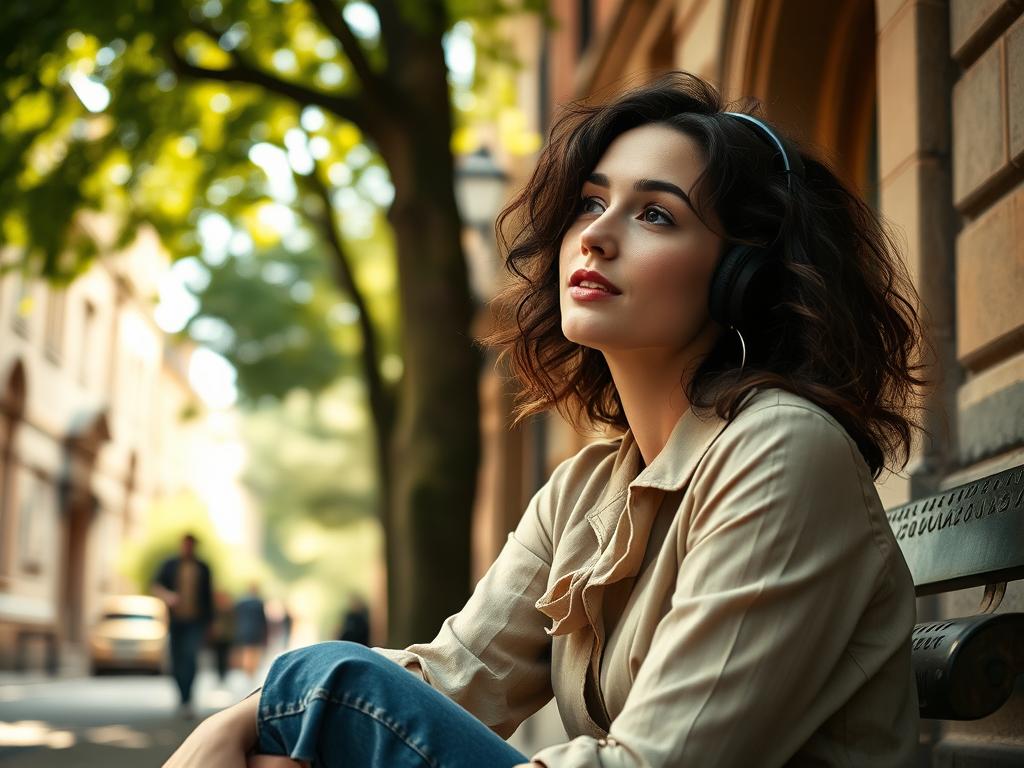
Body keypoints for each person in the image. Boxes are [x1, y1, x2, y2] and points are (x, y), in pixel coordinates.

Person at [164, 71, 926, 768]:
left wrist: (296, 693)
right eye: (593, 202)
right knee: (313, 688)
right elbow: (454, 679)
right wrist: (241, 715)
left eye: (657, 214)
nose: (595, 234)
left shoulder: (783, 451)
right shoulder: (588, 487)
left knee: (323, 679)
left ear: (739, 276)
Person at [152, 532, 214, 720]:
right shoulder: (170, 565)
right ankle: (181, 697)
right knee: (176, 660)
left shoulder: (202, 568)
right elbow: (155, 585)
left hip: (195, 621)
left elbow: (208, 596)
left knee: (190, 658)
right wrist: (168, 596)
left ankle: (188, 699)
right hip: (175, 620)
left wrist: (211, 623)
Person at [234, 583, 269, 680]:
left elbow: (236, 617)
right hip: (256, 630)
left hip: (244, 630)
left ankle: (248, 672)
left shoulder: (241, 602)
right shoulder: (259, 603)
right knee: (254, 652)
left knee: (247, 651)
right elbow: (263, 619)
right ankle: (252, 671)